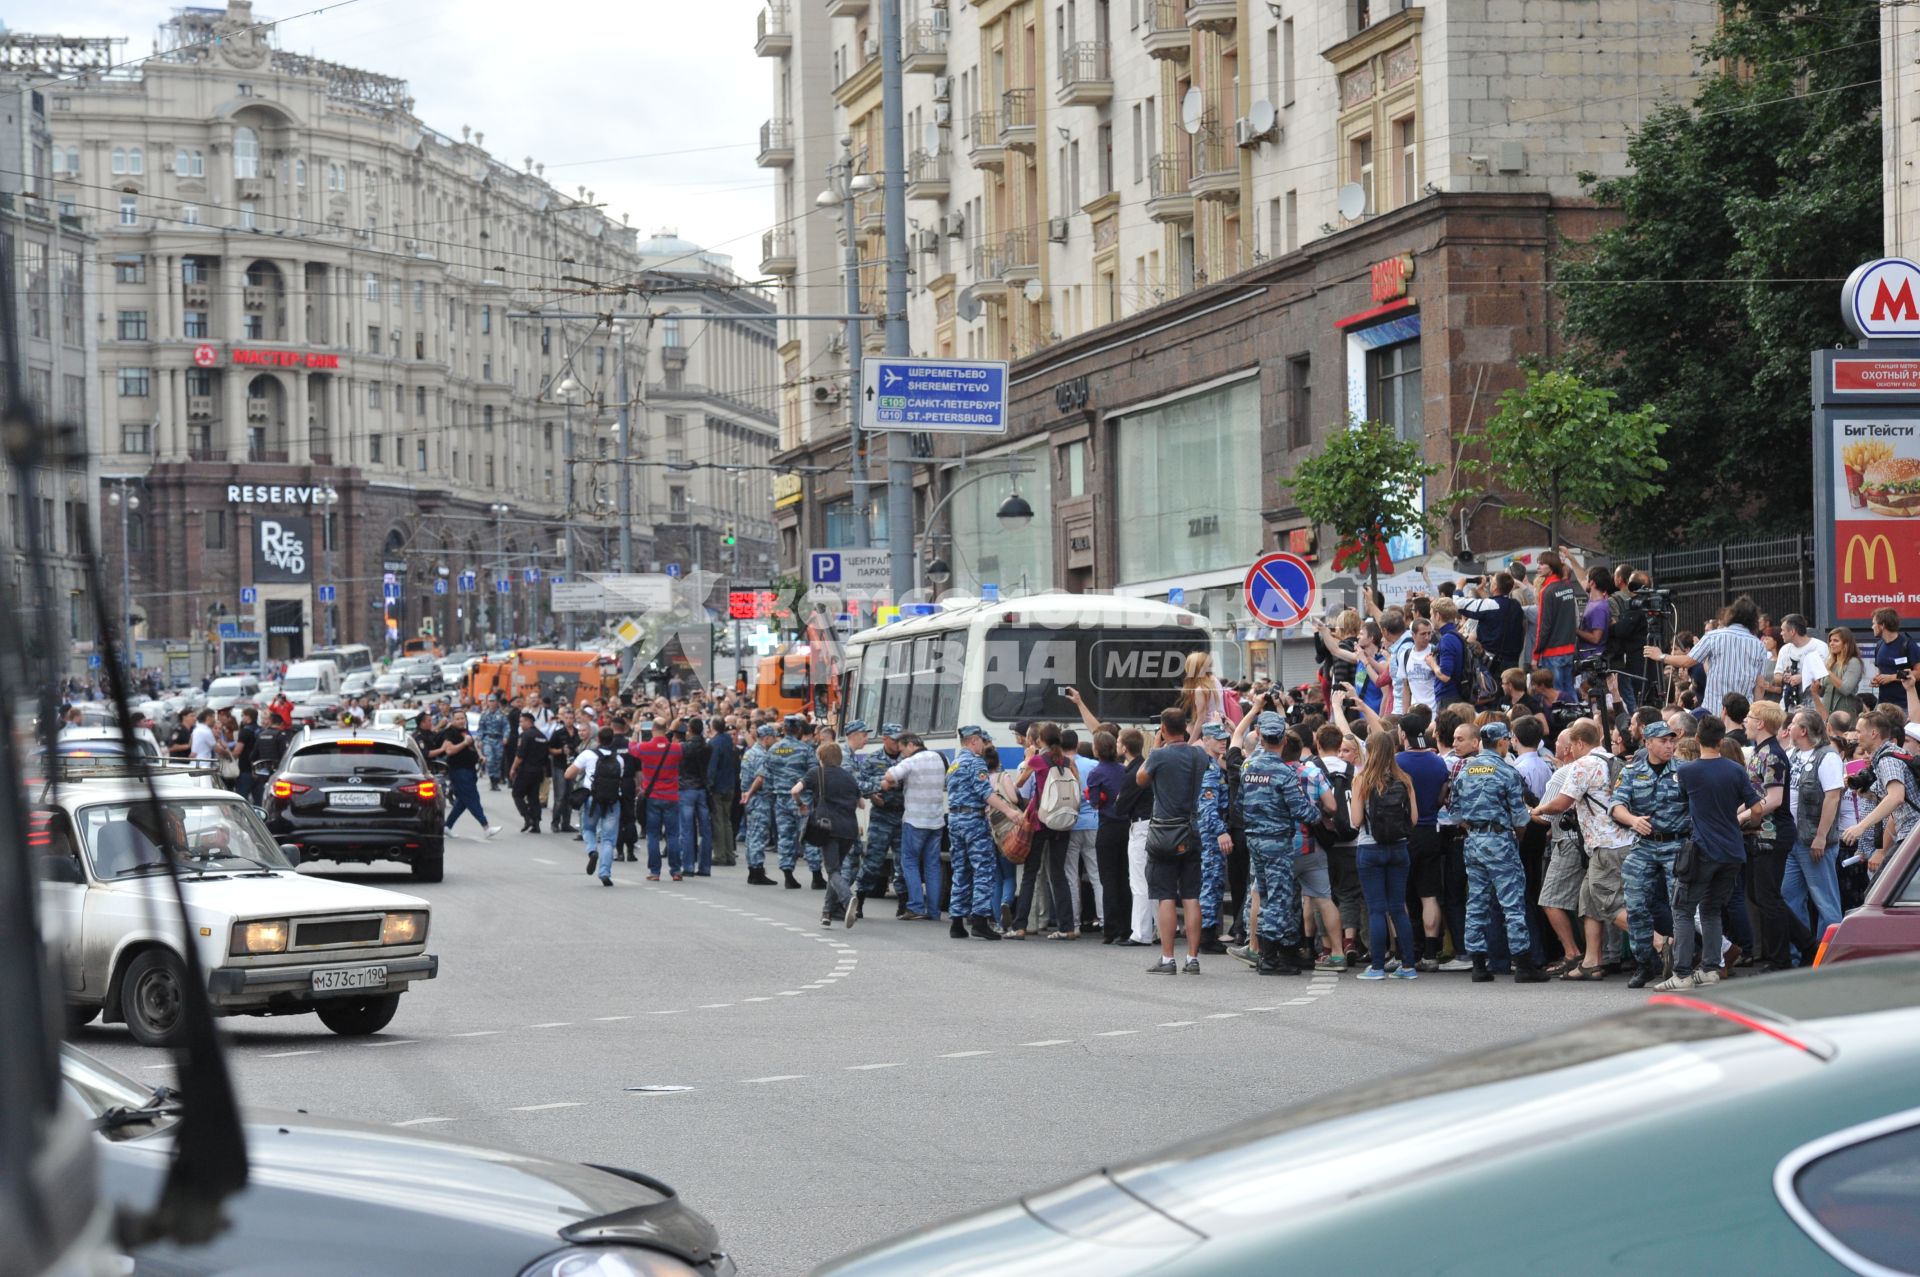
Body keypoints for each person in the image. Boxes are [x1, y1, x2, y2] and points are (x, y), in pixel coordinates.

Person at [1659, 716, 1761, 990]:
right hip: (1732, 851)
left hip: (1703, 849)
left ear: (1697, 739)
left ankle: (1681, 974)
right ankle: (1710, 968)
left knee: (1682, 908)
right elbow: (1758, 808)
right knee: (1712, 909)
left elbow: (1679, 802)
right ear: (1720, 740)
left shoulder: (1688, 772)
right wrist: (1745, 821)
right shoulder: (1737, 771)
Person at [1449, 721, 1546, 982]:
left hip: (1473, 842)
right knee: (1512, 902)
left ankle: (1479, 965)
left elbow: (1455, 813)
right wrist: (1513, 838)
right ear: (1502, 742)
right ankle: (1524, 965)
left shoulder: (1465, 771)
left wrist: (1474, 828)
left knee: (1477, 901)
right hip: (1501, 841)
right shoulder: (1506, 772)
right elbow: (1520, 819)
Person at [1236, 711, 1322, 975]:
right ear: (1283, 739)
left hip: (1254, 839)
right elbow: (1303, 811)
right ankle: (1271, 959)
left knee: (1265, 894)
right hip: (1277, 842)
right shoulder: (1284, 772)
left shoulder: (1248, 765)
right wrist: (1321, 815)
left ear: (1260, 736)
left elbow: (1239, 804)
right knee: (1280, 899)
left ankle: (1274, 953)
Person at [1605, 721, 1688, 987]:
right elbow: (1616, 805)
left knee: (1681, 906)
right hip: (1645, 844)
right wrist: (1632, 820)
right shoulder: (1632, 771)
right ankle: (1645, 963)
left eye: (1671, 741)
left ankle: (1683, 962)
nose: (1669, 745)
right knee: (1636, 905)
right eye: (1663, 741)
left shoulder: (1683, 771)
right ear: (1647, 743)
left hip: (1676, 844)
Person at [1138, 708, 1212, 975]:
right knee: (1192, 896)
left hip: (1164, 833)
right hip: (1191, 830)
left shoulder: (1159, 756)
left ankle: (1168, 958)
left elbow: (1141, 779)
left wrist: (1154, 749)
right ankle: (1193, 958)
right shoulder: (1199, 754)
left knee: (1166, 896)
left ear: (1163, 728)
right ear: (1185, 727)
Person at [1347, 725, 1420, 980]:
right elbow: (1413, 818)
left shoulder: (1361, 780)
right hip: (1399, 849)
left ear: (1368, 751)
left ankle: (1377, 966)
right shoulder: (1405, 779)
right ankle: (1408, 965)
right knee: (1398, 908)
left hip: (1369, 848)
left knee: (1377, 909)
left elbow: (1355, 821)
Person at [1781, 708, 1844, 969]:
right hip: (1792, 842)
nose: (1788, 728)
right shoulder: (1791, 753)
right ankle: (1800, 955)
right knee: (1788, 897)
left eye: (1793, 724)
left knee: (1825, 901)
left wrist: (1820, 836)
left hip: (1814, 843)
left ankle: (1830, 958)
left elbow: (1832, 797)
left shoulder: (1827, 757)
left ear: (1804, 730)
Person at [1645, 594, 1768, 715]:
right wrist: (1755, 715)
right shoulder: (1759, 645)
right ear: (1754, 620)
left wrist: (1661, 656)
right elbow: (1760, 685)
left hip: (1714, 711)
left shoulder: (1713, 636)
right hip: (1743, 714)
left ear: (1731, 614)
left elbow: (1687, 661)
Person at [1841, 705, 1918, 879]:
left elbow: (1896, 797)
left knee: (1881, 890)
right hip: (1910, 834)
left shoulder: (1887, 760)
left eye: (1859, 731)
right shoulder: (1892, 754)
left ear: (1874, 733)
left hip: (1913, 835)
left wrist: (1861, 826)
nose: (1856, 736)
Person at [794, 742, 864, 927]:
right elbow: (862, 804)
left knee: (832, 870)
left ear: (821, 758)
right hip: (849, 829)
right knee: (837, 869)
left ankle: (848, 899)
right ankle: (827, 913)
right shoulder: (849, 777)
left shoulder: (816, 773)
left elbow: (795, 790)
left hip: (828, 828)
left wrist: (801, 804)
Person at [946, 725, 1005, 940]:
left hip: (954, 820)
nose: (984, 745)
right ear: (973, 741)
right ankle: (980, 919)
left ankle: (956, 922)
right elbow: (985, 793)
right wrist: (1009, 811)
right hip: (973, 820)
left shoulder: (954, 763)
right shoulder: (975, 762)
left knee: (961, 869)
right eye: (982, 741)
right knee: (984, 868)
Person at [882, 731, 948, 920]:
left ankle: (916, 906)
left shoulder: (912, 761)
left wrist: (891, 782)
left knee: (909, 862)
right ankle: (934, 911)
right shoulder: (939, 757)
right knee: (932, 865)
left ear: (911, 745)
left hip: (915, 821)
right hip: (936, 821)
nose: (902, 753)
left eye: (902, 749)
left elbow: (890, 775)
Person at [852, 723, 906, 916]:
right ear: (885, 739)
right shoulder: (873, 759)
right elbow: (859, 783)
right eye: (894, 740)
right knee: (873, 861)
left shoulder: (907, 758)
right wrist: (872, 794)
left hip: (903, 816)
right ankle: (859, 901)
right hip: (882, 816)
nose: (898, 744)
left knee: (903, 862)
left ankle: (903, 904)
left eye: (900, 740)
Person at [1086, 729, 1133, 944]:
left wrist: (1097, 797)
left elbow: (1095, 802)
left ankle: (1111, 928)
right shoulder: (1123, 770)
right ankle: (1126, 926)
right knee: (1124, 877)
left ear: (1096, 749)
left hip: (1107, 827)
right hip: (1126, 826)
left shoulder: (1096, 773)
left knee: (1108, 878)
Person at [766, 716, 822, 889]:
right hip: (802, 798)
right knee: (809, 836)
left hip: (781, 799)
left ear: (783, 730)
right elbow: (814, 774)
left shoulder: (773, 749)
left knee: (785, 837)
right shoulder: (805, 749)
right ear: (798, 730)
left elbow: (767, 775)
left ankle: (788, 875)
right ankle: (816, 876)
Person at [565, 726, 625, 885]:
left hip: (593, 799)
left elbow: (568, 774)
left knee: (588, 829)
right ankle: (605, 872)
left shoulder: (588, 755)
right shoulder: (619, 759)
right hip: (613, 801)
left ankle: (592, 851)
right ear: (612, 740)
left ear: (598, 739)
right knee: (608, 838)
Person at [630, 716, 684, 881]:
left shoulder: (645, 748)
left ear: (652, 729)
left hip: (652, 796)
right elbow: (677, 745)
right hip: (671, 796)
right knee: (673, 835)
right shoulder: (676, 749)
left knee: (653, 835)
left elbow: (631, 747)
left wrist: (635, 731)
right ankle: (675, 870)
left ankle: (655, 871)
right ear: (666, 729)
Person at [434, 716, 497, 840]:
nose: (461, 721)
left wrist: (480, 756)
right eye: (457, 719)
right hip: (459, 770)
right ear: (452, 721)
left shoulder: (465, 731)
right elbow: (450, 751)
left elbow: (473, 747)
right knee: (472, 798)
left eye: (463, 718)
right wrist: (464, 743)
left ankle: (447, 826)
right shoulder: (450, 733)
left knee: (462, 801)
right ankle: (486, 827)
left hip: (469, 769)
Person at [1533, 551, 1582, 699]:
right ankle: (1577, 720)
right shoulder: (1567, 587)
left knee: (1556, 694)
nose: (1538, 567)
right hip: (1569, 648)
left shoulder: (1547, 591)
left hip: (1552, 652)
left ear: (1552, 566)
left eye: (1542, 563)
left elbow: (1543, 625)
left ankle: (1566, 722)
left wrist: (1536, 654)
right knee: (1570, 691)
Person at [1460, 572, 1526, 675]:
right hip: (1511, 660)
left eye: (1492, 582)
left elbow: (1458, 604)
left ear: (1495, 586)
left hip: (1491, 661)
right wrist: (1480, 589)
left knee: (1490, 689)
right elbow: (1494, 607)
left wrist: (1460, 586)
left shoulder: (1492, 605)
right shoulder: (1515, 604)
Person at [739, 723, 777, 885]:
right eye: (773, 738)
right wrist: (751, 792)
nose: (775, 741)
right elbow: (760, 778)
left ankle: (753, 869)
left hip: (750, 798)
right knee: (758, 835)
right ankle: (756, 871)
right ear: (767, 738)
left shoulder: (750, 753)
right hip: (760, 798)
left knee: (751, 834)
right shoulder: (762, 755)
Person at [1773, 615, 1829, 715]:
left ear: (1792, 631)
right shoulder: (1784, 650)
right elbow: (1776, 676)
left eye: (1783, 630)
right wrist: (1784, 678)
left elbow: (1825, 675)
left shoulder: (1819, 647)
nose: (1781, 633)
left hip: (1812, 707)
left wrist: (1803, 677)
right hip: (1788, 707)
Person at [678, 719, 713, 877]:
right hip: (702, 789)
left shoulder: (684, 747)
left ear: (690, 730)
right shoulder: (707, 747)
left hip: (686, 788)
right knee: (705, 830)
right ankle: (705, 867)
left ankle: (688, 866)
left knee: (687, 830)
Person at [707, 716, 740, 868]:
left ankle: (720, 855)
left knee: (718, 821)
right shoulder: (728, 741)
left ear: (713, 727)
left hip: (718, 787)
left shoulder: (714, 743)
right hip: (730, 785)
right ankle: (729, 854)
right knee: (727, 821)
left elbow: (712, 767)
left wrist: (709, 784)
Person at [508, 711, 548, 834]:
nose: (520, 724)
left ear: (528, 721)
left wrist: (513, 768)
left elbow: (520, 755)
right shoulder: (542, 736)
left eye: (522, 721)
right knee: (533, 797)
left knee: (517, 794)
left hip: (526, 770)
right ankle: (536, 824)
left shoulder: (525, 735)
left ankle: (527, 817)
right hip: (538, 771)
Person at [477, 695, 511, 791]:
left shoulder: (502, 715)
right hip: (488, 739)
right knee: (490, 759)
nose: (491, 703)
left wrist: (506, 737)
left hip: (498, 739)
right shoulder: (484, 715)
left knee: (498, 760)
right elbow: (481, 728)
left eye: (493, 701)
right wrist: (479, 740)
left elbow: (506, 727)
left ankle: (496, 780)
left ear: (497, 702)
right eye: (490, 701)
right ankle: (492, 779)